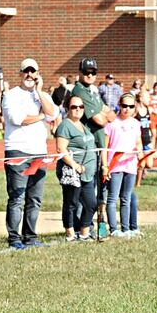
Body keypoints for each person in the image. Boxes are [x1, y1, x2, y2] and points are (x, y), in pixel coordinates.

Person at [1, 58, 56, 249]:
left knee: (35, 198)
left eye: (33, 72)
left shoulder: (42, 95)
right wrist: (41, 116)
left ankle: (30, 236)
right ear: (20, 73)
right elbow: (17, 119)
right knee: (17, 197)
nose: (29, 75)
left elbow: (53, 114)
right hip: (17, 150)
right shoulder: (11, 95)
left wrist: (39, 92)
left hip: (39, 152)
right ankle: (14, 238)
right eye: (26, 71)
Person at [71, 58, 116, 240]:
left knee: (98, 189)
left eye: (93, 72)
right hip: (86, 147)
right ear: (80, 72)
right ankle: (81, 228)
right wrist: (104, 114)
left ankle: (90, 227)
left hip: (98, 146)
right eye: (86, 72)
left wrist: (105, 114)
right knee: (85, 191)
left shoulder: (93, 91)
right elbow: (101, 120)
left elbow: (110, 113)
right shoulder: (79, 91)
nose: (90, 75)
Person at [55, 96, 98, 241]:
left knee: (91, 204)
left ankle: (84, 233)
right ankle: (70, 234)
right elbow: (61, 149)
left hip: (87, 174)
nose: (78, 109)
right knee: (71, 203)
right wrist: (75, 165)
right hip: (72, 173)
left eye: (81, 106)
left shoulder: (82, 125)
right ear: (67, 108)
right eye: (74, 107)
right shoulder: (65, 126)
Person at [103, 93, 142, 238]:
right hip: (115, 165)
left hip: (130, 165)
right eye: (124, 106)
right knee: (112, 198)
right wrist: (105, 166)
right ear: (119, 105)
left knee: (126, 198)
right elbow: (105, 146)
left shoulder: (135, 124)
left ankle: (126, 229)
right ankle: (114, 229)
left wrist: (140, 154)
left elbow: (138, 143)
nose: (127, 109)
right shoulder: (112, 123)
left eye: (131, 106)